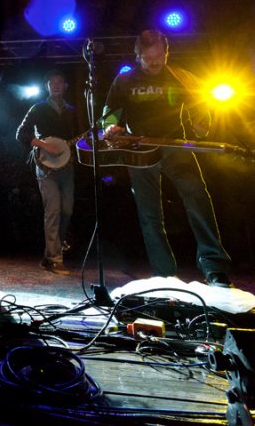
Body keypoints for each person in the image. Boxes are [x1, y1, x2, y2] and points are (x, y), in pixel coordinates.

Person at [102, 29, 234, 287]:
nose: (154, 62)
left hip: (175, 146)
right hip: (139, 150)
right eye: (148, 58)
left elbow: (199, 107)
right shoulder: (124, 80)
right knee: (149, 214)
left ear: (166, 53)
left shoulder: (180, 77)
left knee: (197, 196)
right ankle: (164, 275)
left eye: (159, 56)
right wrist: (110, 127)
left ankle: (214, 268)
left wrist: (201, 123)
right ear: (138, 56)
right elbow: (111, 113)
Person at [16, 70, 78, 275]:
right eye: (52, 83)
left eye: (60, 82)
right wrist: (44, 145)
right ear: (47, 87)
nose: (56, 85)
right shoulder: (38, 108)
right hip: (45, 165)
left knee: (67, 210)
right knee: (53, 210)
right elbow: (21, 134)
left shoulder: (72, 111)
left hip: (66, 166)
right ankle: (54, 259)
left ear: (66, 86)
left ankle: (51, 252)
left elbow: (80, 136)